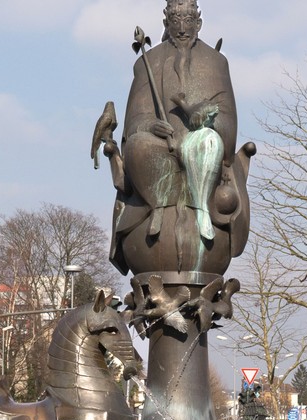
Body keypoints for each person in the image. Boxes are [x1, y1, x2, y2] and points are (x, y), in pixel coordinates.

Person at [106, 0, 252, 275]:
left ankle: (202, 210)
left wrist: (207, 120)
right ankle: (157, 207)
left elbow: (227, 115)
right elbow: (134, 120)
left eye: (188, 21)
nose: (183, 29)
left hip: (199, 145)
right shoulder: (147, 63)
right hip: (160, 148)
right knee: (138, 145)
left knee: (209, 141)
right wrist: (149, 125)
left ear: (198, 23)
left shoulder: (217, 63)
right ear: (166, 24)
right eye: (176, 21)